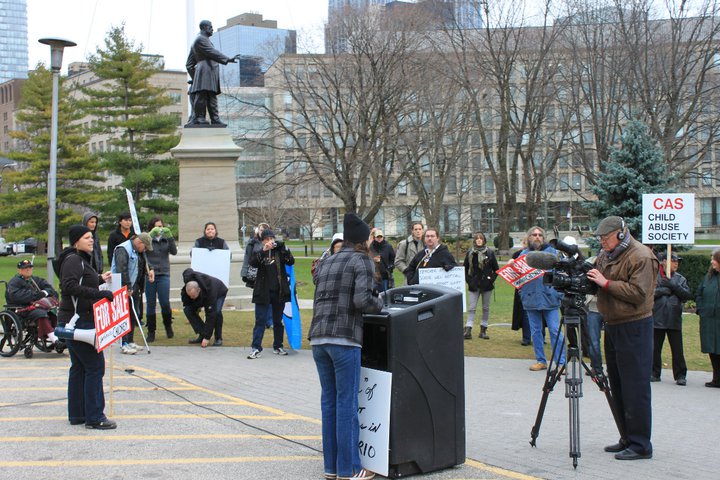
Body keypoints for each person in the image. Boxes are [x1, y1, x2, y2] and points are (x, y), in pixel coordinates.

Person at [309, 212, 383, 480]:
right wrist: (381, 303)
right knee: (347, 403)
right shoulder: (361, 260)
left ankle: (331, 468)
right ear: (363, 239)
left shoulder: (328, 260)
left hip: (319, 338)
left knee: (329, 403)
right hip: (344, 339)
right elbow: (362, 300)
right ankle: (350, 468)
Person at [587, 216, 658, 461]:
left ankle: (641, 444)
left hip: (635, 325)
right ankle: (626, 437)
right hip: (614, 324)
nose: (602, 243)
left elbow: (639, 293)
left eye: (605, 238)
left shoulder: (641, 256)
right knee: (618, 384)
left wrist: (605, 283)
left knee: (635, 386)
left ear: (620, 234)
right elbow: (595, 278)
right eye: (600, 239)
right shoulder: (607, 254)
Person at [56, 225, 115, 429]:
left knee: (80, 367)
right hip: (78, 321)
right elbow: (69, 286)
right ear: (76, 241)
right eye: (87, 237)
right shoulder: (73, 259)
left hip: (76, 319)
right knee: (94, 366)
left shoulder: (79, 260)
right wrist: (101, 294)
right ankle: (95, 416)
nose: (91, 240)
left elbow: (80, 284)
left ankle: (78, 414)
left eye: (92, 237)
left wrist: (99, 280)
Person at [513, 226, 565, 371]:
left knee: (555, 330)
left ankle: (561, 362)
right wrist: (522, 292)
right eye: (534, 235)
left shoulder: (553, 254)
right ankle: (540, 360)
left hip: (550, 298)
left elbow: (562, 275)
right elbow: (517, 278)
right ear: (528, 237)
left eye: (540, 235)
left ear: (543, 237)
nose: (537, 237)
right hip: (530, 298)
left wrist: (558, 294)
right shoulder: (523, 255)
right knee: (535, 331)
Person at [247, 229, 295, 359]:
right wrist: (264, 250)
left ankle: (278, 346)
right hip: (262, 292)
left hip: (279, 291)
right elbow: (252, 262)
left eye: (271, 239)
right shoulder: (259, 251)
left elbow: (291, 261)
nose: (269, 241)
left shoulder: (280, 250)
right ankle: (256, 347)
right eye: (266, 239)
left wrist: (284, 248)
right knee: (260, 320)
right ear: (262, 241)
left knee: (278, 321)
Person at [185, 20, 240, 127]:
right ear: (205, 27)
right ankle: (200, 118)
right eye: (210, 27)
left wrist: (195, 77)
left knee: (211, 97)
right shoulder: (200, 39)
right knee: (202, 95)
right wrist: (228, 59)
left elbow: (189, 65)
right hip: (205, 71)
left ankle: (215, 119)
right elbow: (212, 52)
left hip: (207, 72)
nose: (212, 29)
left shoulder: (200, 40)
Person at [651, 253, 691, 385]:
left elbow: (686, 295)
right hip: (657, 317)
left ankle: (680, 375)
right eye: (673, 261)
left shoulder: (680, 279)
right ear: (664, 262)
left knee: (677, 349)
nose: (676, 263)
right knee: (655, 348)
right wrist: (662, 290)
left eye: (677, 261)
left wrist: (674, 286)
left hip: (674, 318)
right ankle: (654, 373)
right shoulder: (655, 277)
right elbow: (648, 294)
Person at [112, 233, 154, 354]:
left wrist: (150, 269)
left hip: (134, 286)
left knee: (134, 313)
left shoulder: (137, 250)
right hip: (123, 286)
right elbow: (121, 269)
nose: (145, 250)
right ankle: (123, 343)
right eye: (145, 247)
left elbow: (143, 262)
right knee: (124, 315)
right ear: (140, 243)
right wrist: (127, 287)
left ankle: (130, 340)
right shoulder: (123, 249)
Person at [6, 259, 61, 347]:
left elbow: (51, 290)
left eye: (30, 268)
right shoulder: (14, 282)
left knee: (54, 311)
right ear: (19, 270)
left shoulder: (36, 280)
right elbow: (17, 296)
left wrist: (45, 293)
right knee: (40, 313)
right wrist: (37, 295)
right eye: (25, 269)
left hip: (39, 306)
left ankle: (58, 336)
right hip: (22, 309)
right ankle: (54, 339)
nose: (28, 270)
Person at [144, 217, 177, 342]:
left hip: (163, 273)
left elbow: (174, 251)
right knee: (151, 304)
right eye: (157, 226)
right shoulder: (148, 239)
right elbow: (142, 251)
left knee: (164, 302)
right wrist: (149, 236)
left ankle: (168, 326)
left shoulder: (165, 239)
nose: (159, 229)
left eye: (161, 226)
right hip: (150, 274)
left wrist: (170, 237)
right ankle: (151, 331)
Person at [463, 232, 499, 340]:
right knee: (472, 307)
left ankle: (483, 330)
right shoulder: (470, 253)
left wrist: (491, 279)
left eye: (481, 238)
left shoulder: (490, 252)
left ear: (484, 240)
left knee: (485, 308)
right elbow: (465, 268)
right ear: (474, 240)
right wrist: (469, 281)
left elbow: (496, 269)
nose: (479, 240)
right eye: (477, 238)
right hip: (474, 284)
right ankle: (468, 329)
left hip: (486, 285)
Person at [181, 268, 228, 348]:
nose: (191, 298)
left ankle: (218, 338)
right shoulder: (189, 284)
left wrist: (207, 337)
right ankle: (201, 334)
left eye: (193, 296)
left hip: (219, 291)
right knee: (188, 310)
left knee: (216, 312)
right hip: (203, 294)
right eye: (190, 296)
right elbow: (187, 302)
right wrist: (194, 310)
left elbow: (210, 315)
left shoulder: (210, 292)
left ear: (199, 290)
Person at [695, 248, 720, 389]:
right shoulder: (709, 277)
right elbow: (699, 293)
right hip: (709, 320)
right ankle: (716, 378)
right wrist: (700, 308)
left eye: (714, 259)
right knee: (713, 349)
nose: (712, 262)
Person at [369, 229, 395, 293]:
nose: (379, 238)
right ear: (374, 237)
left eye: (381, 237)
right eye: (378, 237)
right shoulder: (370, 247)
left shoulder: (388, 246)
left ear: (383, 237)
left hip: (385, 276)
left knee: (385, 295)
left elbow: (393, 259)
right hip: (373, 276)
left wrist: (390, 267)